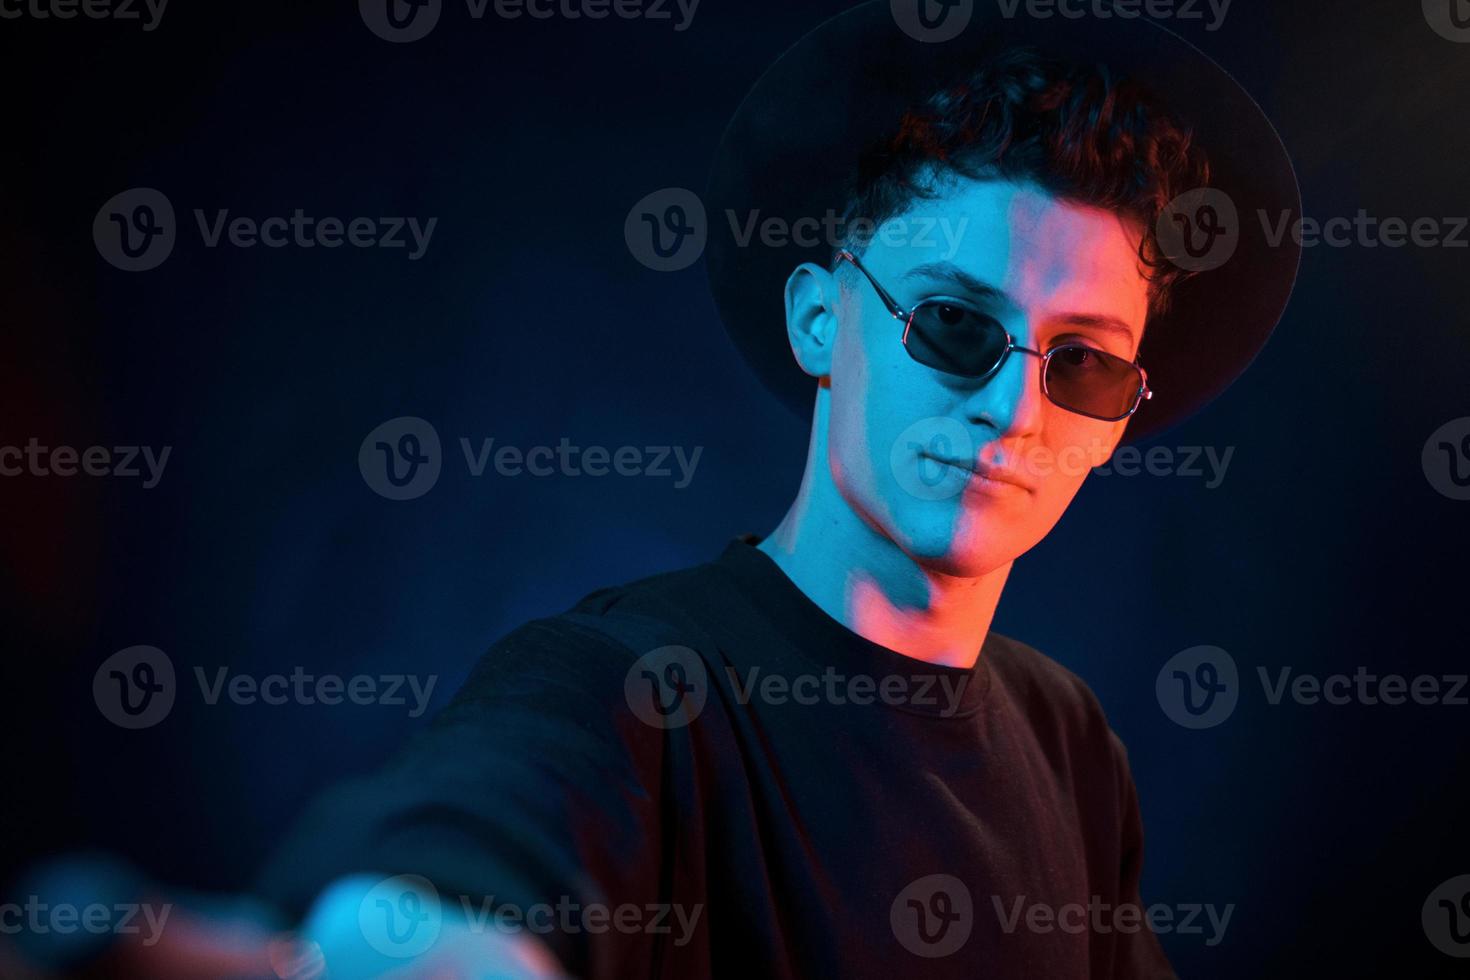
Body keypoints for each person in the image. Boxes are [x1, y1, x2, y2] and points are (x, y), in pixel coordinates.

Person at [21, 3, 1298, 977]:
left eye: (1079, 363)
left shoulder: (1069, 738)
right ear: (819, 318)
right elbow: (435, 884)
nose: (1013, 406)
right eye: (955, 325)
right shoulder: (626, 685)